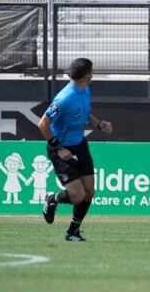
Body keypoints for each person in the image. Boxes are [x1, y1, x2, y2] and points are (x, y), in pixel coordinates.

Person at [37, 58, 113, 242]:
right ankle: (52, 199)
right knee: (77, 195)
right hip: (61, 148)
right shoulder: (65, 97)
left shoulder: (84, 89)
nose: (93, 74)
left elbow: (85, 114)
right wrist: (59, 149)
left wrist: (99, 124)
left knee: (89, 192)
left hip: (80, 145)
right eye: (92, 71)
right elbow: (43, 123)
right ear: (87, 75)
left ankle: (72, 232)